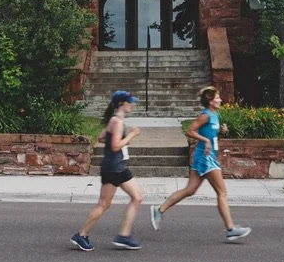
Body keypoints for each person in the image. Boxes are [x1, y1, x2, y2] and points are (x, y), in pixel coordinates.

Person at [149, 85, 251, 242]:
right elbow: (189, 131)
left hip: (205, 156)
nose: (220, 99)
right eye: (217, 97)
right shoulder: (205, 116)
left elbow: (209, 132)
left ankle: (159, 209)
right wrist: (205, 141)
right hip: (206, 157)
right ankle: (230, 229)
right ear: (210, 101)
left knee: (190, 190)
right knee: (222, 192)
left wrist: (220, 131)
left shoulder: (215, 114)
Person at [71, 90, 144, 251]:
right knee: (103, 204)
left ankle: (124, 236)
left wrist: (119, 138)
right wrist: (130, 135)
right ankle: (81, 235)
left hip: (119, 167)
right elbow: (115, 146)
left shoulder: (115, 121)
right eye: (129, 101)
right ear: (121, 104)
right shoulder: (117, 121)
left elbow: (102, 138)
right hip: (113, 168)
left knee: (137, 197)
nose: (132, 104)